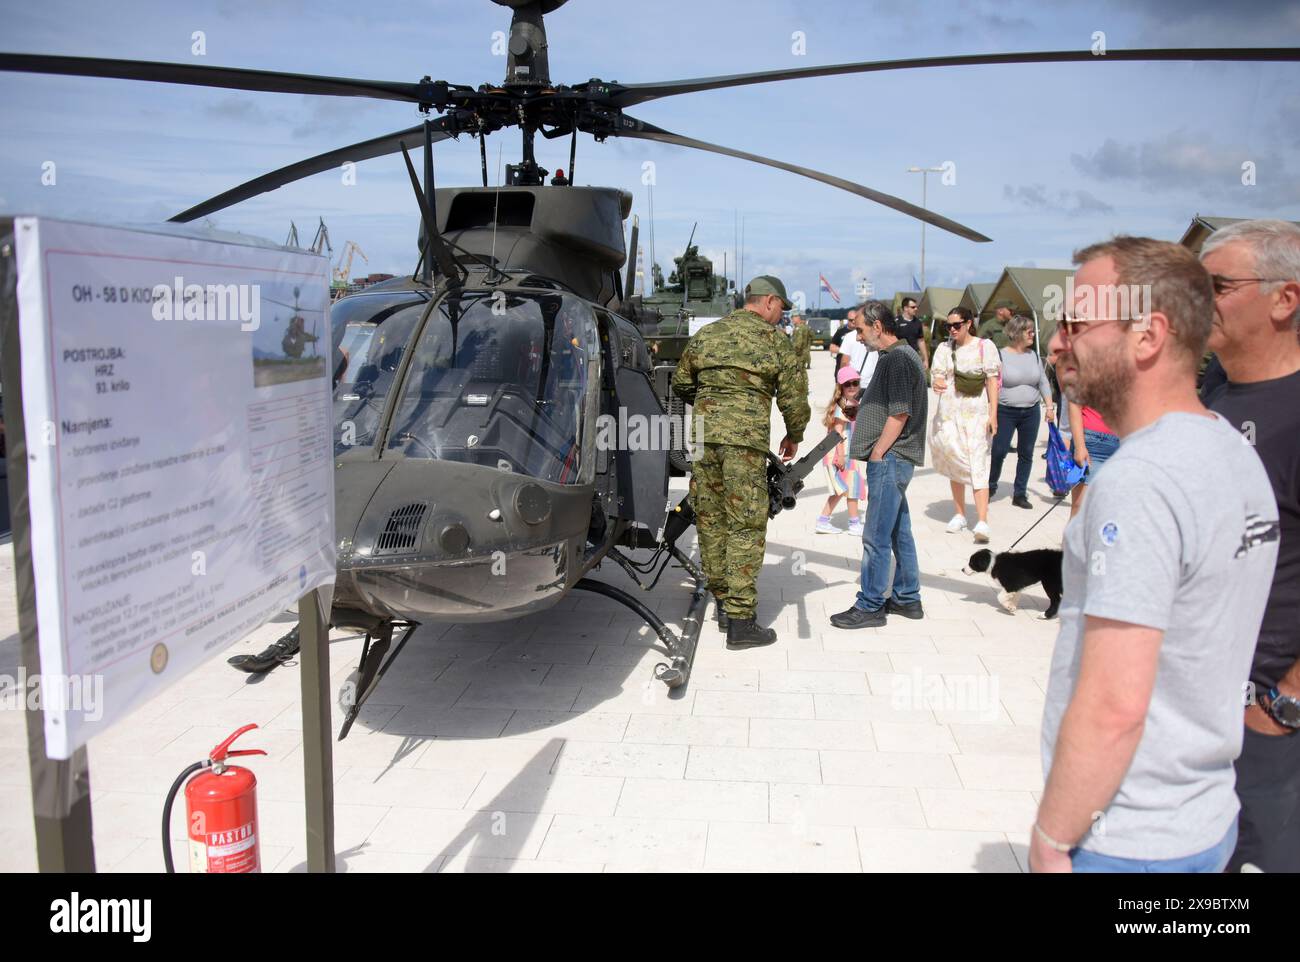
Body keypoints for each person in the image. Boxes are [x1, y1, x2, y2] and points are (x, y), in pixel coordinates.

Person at [1031, 236, 1279, 874]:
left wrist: (1054, 839)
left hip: (1126, 840)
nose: (1059, 344)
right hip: (1205, 819)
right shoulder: (1231, 447)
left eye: (1075, 324)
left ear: (1147, 336)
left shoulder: (1139, 481)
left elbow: (1115, 705)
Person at [1199, 218, 1300, 872]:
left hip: (1264, 717)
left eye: (1217, 286)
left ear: (1284, 299)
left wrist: (1284, 703)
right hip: (1190, 705)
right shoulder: (1207, 395)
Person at [672, 275, 810, 647]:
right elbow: (795, 400)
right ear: (767, 301)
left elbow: (681, 384)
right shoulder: (775, 342)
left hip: (703, 440)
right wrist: (794, 435)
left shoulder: (708, 335)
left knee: (711, 517)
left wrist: (712, 403)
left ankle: (722, 602)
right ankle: (741, 620)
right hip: (743, 445)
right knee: (745, 524)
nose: (782, 316)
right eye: (781, 307)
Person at [830, 301, 928, 629]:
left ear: (877, 326)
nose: (857, 338)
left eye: (859, 330)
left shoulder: (898, 359)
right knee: (900, 531)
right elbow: (889, 404)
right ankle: (906, 597)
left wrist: (878, 453)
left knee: (874, 536)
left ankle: (870, 604)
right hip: (896, 458)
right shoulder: (898, 356)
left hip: (890, 458)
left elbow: (900, 412)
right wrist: (864, 408)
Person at [929, 306, 1000, 543]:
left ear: (969, 323)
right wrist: (937, 382)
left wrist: (993, 414)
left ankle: (982, 520)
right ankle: (960, 514)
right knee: (955, 461)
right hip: (949, 414)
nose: (952, 329)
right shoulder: (943, 348)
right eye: (948, 326)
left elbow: (992, 381)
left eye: (956, 325)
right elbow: (937, 374)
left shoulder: (984, 347)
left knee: (978, 463)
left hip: (976, 414)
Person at [989, 314, 1055, 508]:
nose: (1033, 334)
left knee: (1026, 453)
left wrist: (1049, 407)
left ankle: (1020, 493)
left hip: (1031, 412)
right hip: (1005, 411)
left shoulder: (1033, 355)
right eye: (1029, 331)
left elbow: (1042, 381)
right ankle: (991, 484)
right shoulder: (1000, 355)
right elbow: (991, 384)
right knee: (999, 450)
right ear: (1016, 333)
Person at [816, 365, 865, 536]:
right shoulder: (843, 406)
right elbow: (837, 433)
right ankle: (853, 523)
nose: (852, 387)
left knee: (845, 488)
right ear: (840, 387)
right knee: (849, 488)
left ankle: (824, 521)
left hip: (846, 454)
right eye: (847, 384)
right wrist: (840, 455)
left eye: (855, 383)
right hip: (840, 454)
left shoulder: (852, 404)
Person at [1065, 400, 1119, 517]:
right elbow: (1074, 402)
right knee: (1080, 510)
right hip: (1092, 443)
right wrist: (1080, 446)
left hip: (1124, 441)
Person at [895, 296, 930, 369]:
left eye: (916, 307)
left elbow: (921, 341)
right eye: (913, 307)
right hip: (898, 357)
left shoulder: (918, 323)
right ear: (905, 308)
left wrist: (925, 360)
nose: (916, 309)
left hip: (913, 357)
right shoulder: (896, 322)